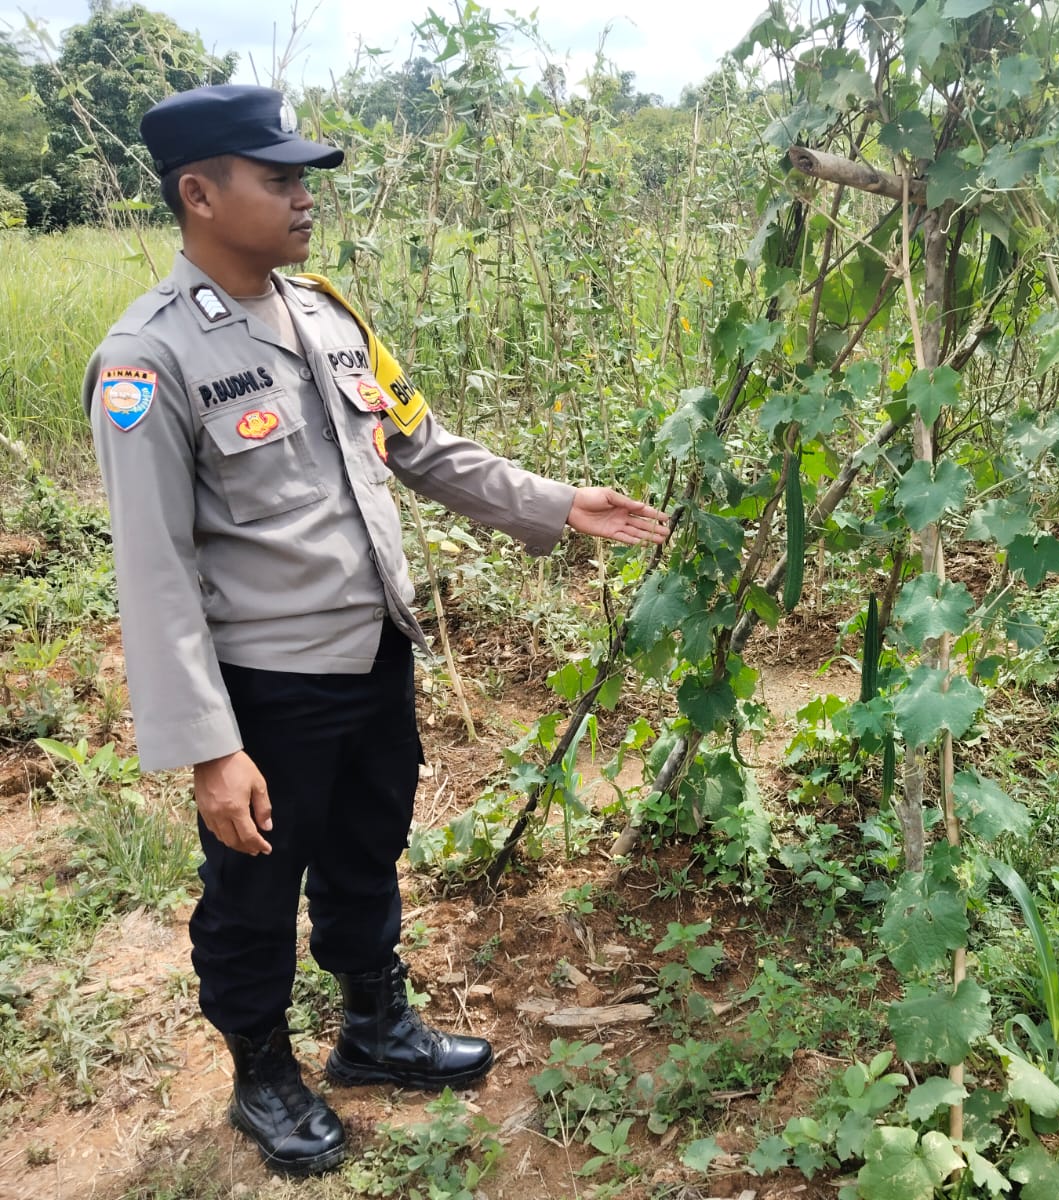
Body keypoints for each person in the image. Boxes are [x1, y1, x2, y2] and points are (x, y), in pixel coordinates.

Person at [82, 84, 669, 1176]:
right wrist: (211, 748)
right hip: (267, 683)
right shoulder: (147, 360)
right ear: (199, 194)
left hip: (373, 651)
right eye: (279, 180)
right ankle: (261, 1069)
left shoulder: (328, 317)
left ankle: (373, 1029)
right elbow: (154, 573)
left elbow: (424, 448)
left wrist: (557, 502)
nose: (303, 199)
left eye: (305, 178)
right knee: (254, 886)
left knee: (366, 850)